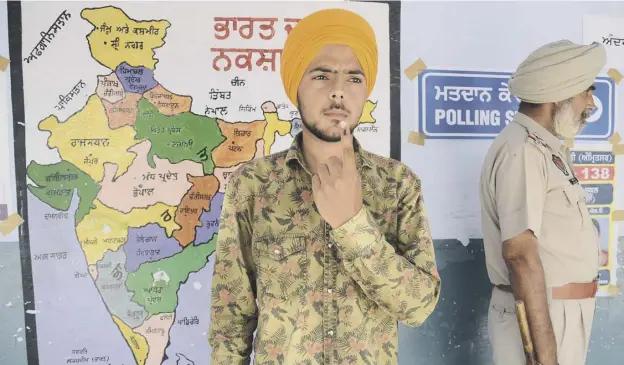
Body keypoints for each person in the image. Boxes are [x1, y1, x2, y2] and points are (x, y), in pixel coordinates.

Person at [208, 8, 441, 365]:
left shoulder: (397, 185)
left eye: (353, 78)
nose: (337, 91)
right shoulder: (253, 185)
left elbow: (419, 306)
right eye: (321, 75)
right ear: (295, 86)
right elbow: (230, 320)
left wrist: (352, 225)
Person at [479, 39, 606, 365]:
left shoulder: (545, 150)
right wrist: (543, 354)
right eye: (586, 92)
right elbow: (520, 255)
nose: (590, 104)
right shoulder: (523, 151)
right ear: (559, 94)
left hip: (562, 313)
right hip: (545, 318)